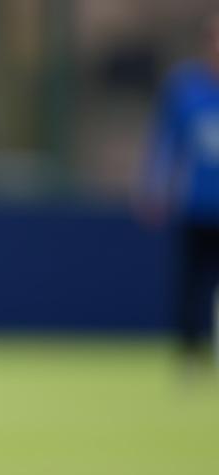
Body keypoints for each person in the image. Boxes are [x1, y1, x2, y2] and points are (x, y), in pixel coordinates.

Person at [141, 12, 219, 367]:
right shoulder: (186, 87)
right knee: (192, 282)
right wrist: (154, 186)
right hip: (198, 205)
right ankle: (192, 351)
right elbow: (166, 142)